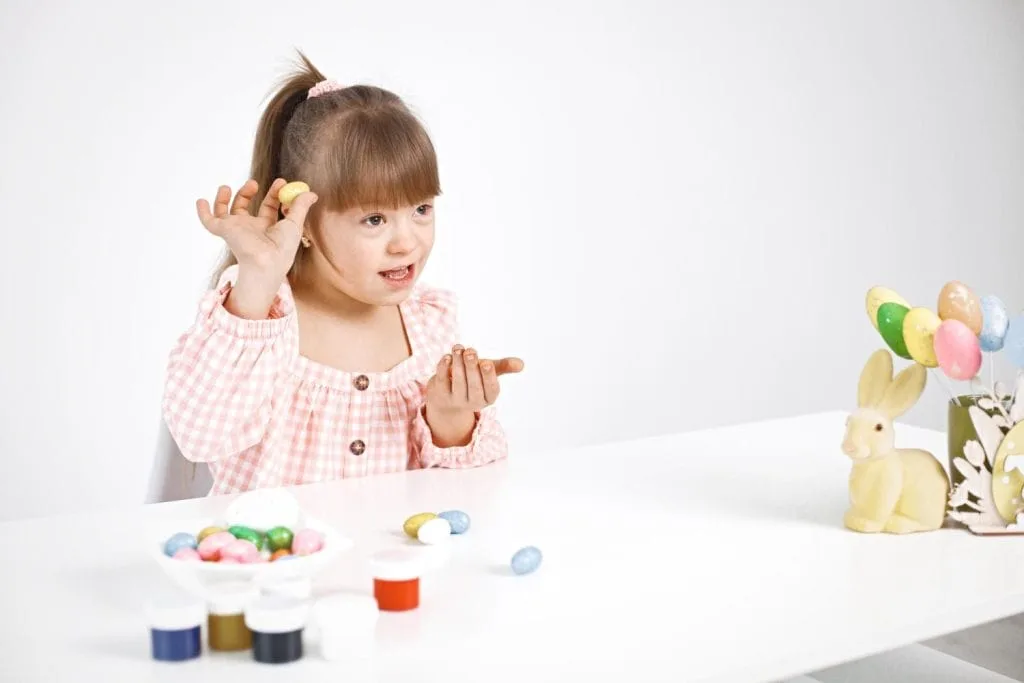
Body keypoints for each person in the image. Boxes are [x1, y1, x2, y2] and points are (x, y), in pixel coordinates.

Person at [161, 52, 524, 495]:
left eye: (421, 209)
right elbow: (200, 436)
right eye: (374, 219)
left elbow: (468, 495)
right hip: (281, 563)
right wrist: (256, 278)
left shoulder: (429, 324)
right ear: (306, 221)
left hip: (393, 564)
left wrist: (450, 417)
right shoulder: (259, 320)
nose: (405, 241)